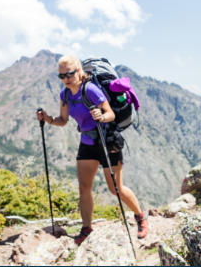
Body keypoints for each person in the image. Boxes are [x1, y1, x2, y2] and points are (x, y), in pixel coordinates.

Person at [36, 55, 148, 245]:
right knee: (84, 188)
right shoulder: (65, 95)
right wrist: (47, 118)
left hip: (108, 141)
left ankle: (140, 217)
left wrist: (101, 116)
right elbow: (63, 121)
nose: (66, 78)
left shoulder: (91, 90)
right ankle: (86, 229)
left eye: (70, 74)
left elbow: (110, 113)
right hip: (87, 142)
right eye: (61, 76)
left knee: (115, 189)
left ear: (78, 71)